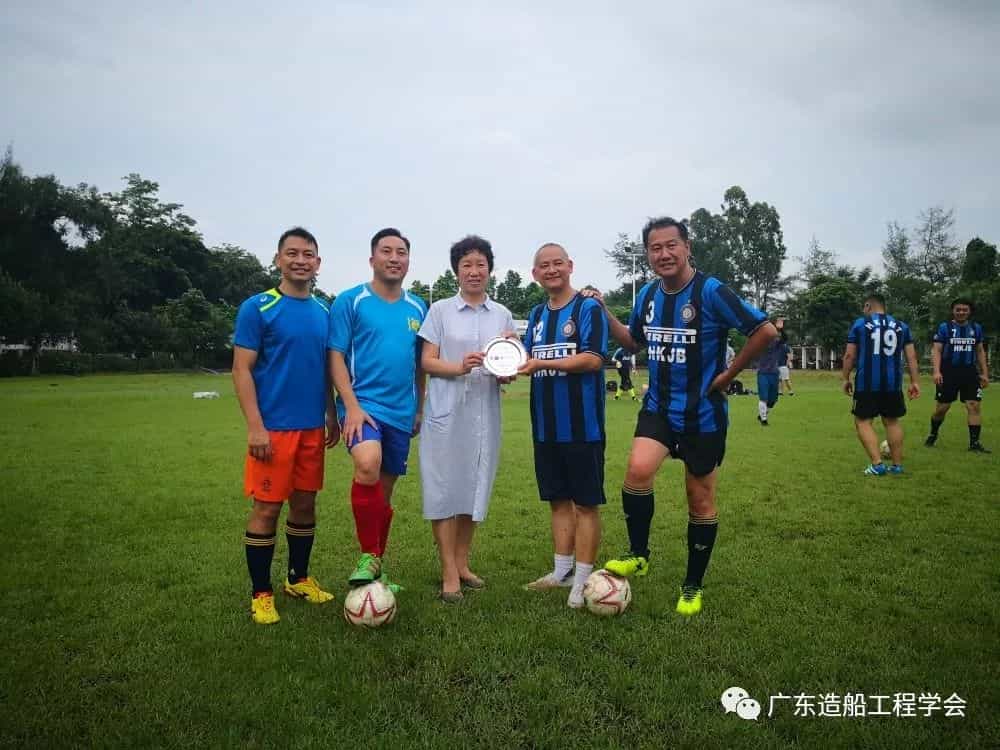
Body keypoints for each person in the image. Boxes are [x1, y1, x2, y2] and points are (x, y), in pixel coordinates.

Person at [585, 216, 777, 617]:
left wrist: (728, 375)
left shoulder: (711, 291)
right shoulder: (648, 295)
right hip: (658, 406)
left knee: (700, 499)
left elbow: (764, 331)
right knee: (637, 471)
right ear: (648, 254)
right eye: (655, 248)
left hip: (702, 413)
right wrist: (603, 310)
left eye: (671, 245)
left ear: (687, 247)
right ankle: (639, 554)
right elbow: (633, 342)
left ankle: (692, 584)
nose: (664, 254)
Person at [232, 227, 339, 625]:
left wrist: (331, 413)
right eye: (292, 253)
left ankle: (298, 578)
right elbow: (241, 370)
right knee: (267, 507)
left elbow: (325, 370)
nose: (300, 260)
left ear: (318, 263)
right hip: (273, 430)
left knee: (305, 504)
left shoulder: (324, 312)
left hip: (311, 428)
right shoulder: (258, 308)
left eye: (308, 254)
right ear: (278, 259)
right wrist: (255, 427)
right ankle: (261, 593)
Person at [328, 228, 427, 592]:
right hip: (363, 406)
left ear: (408, 261)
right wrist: (350, 407)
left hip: (401, 411)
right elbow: (334, 356)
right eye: (386, 251)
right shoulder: (351, 301)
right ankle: (369, 555)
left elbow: (419, 364)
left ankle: (376, 568)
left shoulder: (418, 307)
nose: (394, 258)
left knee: (383, 497)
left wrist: (419, 408)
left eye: (401, 252)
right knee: (367, 464)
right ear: (372, 259)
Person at [418, 235, 515, 602]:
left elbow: (508, 364)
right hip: (447, 412)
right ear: (456, 271)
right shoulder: (440, 311)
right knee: (444, 489)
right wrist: (459, 367)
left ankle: (461, 562)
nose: (474, 271)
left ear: (490, 269)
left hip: (484, 414)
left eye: (481, 265)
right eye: (467, 265)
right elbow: (427, 361)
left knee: (474, 486)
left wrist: (506, 371)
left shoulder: (502, 314)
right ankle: (448, 571)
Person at [520, 243, 609, 609]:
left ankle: (584, 578)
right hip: (545, 426)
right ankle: (562, 571)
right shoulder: (537, 314)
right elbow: (525, 358)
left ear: (570, 266)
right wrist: (506, 358)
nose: (552, 269)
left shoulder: (588, 308)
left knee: (585, 504)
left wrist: (542, 364)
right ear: (535, 274)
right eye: (544, 265)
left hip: (582, 426)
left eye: (558, 263)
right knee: (557, 500)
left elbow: (593, 359)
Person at [842, 294, 920, 475]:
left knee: (863, 421)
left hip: (867, 383)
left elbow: (849, 355)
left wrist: (845, 378)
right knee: (892, 421)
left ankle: (877, 465)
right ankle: (897, 466)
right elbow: (912, 357)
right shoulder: (901, 326)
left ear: (868, 305)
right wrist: (914, 381)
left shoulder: (860, 324)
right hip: (893, 384)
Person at [925, 298, 990, 452]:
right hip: (948, 371)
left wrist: (985, 373)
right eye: (958, 309)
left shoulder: (976, 328)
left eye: (964, 310)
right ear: (953, 311)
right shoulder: (945, 327)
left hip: (969, 372)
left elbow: (980, 351)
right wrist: (936, 371)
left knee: (974, 405)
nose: (961, 312)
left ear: (969, 311)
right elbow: (937, 350)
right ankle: (933, 434)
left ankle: (974, 444)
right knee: (942, 408)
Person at [755, 332, 783, 426]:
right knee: (763, 398)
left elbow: (785, 338)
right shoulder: (760, 344)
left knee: (773, 400)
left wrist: (781, 329)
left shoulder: (776, 344)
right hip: (762, 373)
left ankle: (762, 414)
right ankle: (764, 420)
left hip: (774, 374)